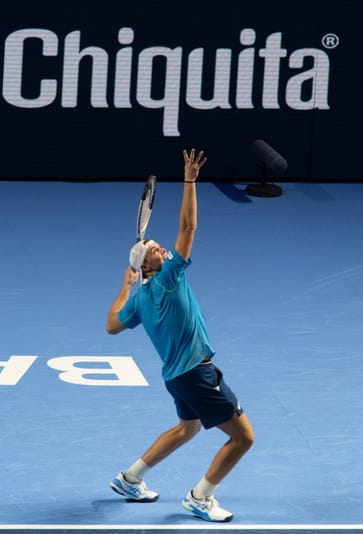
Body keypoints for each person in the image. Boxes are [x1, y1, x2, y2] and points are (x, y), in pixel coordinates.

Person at [105, 149, 255, 522]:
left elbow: (112, 325)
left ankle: (130, 478)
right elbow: (188, 229)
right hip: (197, 374)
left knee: (187, 428)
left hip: (176, 378)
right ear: (151, 267)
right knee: (243, 438)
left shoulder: (140, 299)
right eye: (156, 250)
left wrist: (125, 287)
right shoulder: (170, 280)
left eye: (159, 246)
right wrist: (189, 182)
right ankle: (201, 497)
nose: (163, 249)